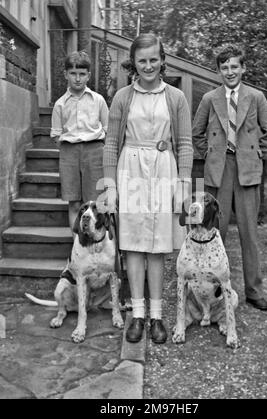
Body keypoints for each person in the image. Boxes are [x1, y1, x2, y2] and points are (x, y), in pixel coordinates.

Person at [101, 33, 193, 344]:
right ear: (134, 63)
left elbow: (185, 144)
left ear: (162, 60)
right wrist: (110, 186)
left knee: (158, 246)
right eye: (142, 60)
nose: (149, 65)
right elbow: (112, 143)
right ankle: (137, 314)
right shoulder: (123, 97)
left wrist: (183, 184)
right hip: (131, 172)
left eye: (154, 59)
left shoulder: (176, 98)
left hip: (164, 171)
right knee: (135, 245)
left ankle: (157, 315)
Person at [192, 44, 267, 311]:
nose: (229, 71)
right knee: (214, 233)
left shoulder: (256, 97)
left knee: (249, 233)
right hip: (219, 170)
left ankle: (253, 290)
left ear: (243, 68)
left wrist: (254, 152)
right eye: (224, 67)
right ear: (218, 70)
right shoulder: (209, 98)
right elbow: (196, 133)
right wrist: (212, 154)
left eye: (234, 66)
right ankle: (212, 288)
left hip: (247, 171)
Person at [51, 51, 109, 233]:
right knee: (74, 202)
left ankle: (97, 246)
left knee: (96, 201)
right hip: (69, 153)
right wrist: (70, 149)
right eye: (73, 73)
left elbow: (107, 129)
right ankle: (77, 248)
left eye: (82, 74)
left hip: (94, 150)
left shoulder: (98, 100)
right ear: (66, 74)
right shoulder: (60, 104)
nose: (77, 78)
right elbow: (56, 134)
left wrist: (98, 148)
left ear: (88, 76)